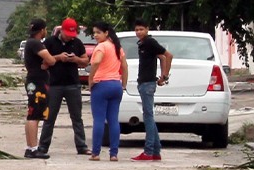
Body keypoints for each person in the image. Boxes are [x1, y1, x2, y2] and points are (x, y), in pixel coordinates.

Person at [37, 17, 91, 156]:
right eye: (68, 34)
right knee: (49, 118)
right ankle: (43, 146)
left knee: (77, 117)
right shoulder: (49, 42)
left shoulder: (77, 43)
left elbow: (86, 61)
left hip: (73, 84)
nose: (69, 37)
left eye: (72, 35)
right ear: (62, 30)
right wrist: (59, 57)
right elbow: (43, 62)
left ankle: (81, 146)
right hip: (54, 84)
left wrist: (75, 59)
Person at [131, 19, 173, 161]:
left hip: (148, 83)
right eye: (136, 30)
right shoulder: (143, 44)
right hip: (144, 83)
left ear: (147, 29)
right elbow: (160, 57)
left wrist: (164, 76)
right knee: (149, 117)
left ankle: (148, 151)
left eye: (141, 29)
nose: (138, 32)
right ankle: (156, 151)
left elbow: (167, 55)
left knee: (148, 117)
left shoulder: (149, 42)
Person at [88, 21, 127, 161]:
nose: (95, 35)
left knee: (99, 119)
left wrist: (91, 78)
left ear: (106, 33)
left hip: (101, 85)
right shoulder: (117, 47)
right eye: (94, 33)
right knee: (113, 120)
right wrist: (124, 84)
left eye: (98, 32)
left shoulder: (101, 47)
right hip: (116, 85)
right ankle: (114, 153)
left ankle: (96, 152)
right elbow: (124, 66)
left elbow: (97, 62)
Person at [23, 18, 57, 159]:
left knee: (32, 114)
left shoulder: (30, 43)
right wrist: (49, 61)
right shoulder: (36, 44)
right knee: (35, 115)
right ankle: (33, 148)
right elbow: (51, 60)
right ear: (42, 30)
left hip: (33, 80)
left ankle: (30, 147)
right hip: (36, 82)